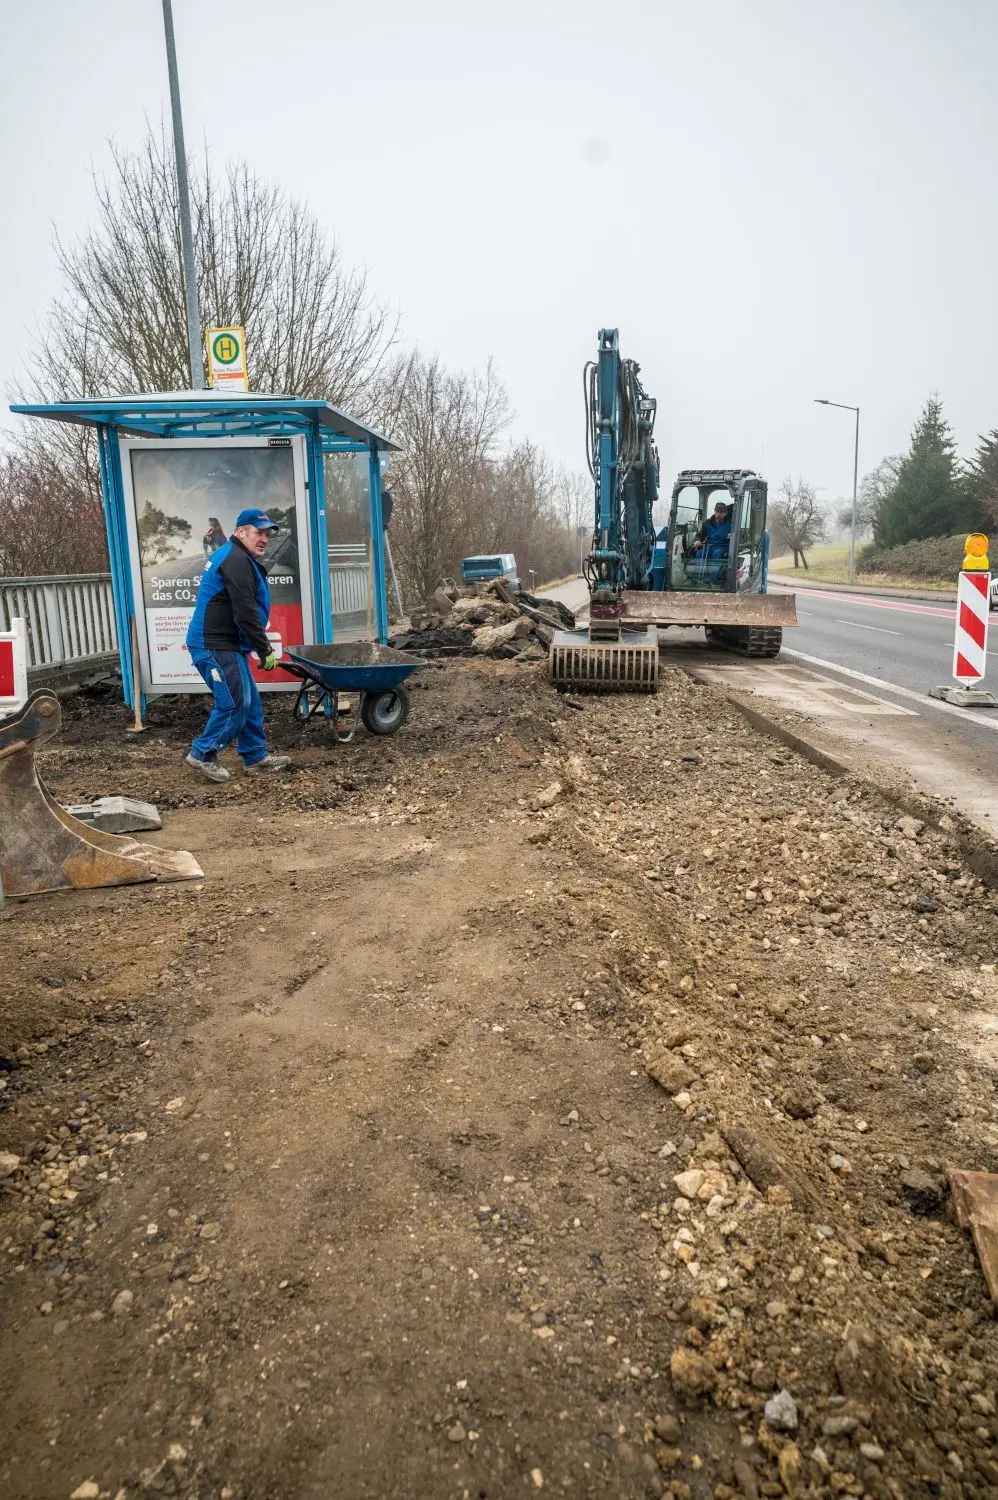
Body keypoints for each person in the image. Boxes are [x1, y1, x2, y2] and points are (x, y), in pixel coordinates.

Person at [184, 509, 293, 782]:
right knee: (234, 703)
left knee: (250, 701)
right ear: (241, 531)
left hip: (227, 644)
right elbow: (245, 611)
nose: (265, 539)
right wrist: (265, 650)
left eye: (268, 534)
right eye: (259, 532)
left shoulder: (238, 556)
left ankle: (255, 756)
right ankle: (203, 753)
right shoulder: (235, 559)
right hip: (213, 644)